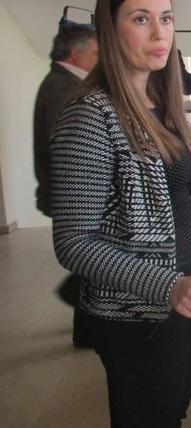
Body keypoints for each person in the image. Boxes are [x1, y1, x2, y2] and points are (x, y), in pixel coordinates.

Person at [50, 0, 191, 428]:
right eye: (141, 19)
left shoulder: (157, 102)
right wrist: (167, 285)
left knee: (171, 412)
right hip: (136, 312)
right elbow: (73, 243)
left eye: (166, 18)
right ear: (109, 30)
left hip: (182, 293)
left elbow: (178, 191)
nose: (160, 33)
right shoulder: (90, 114)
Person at [33, 23, 98, 348]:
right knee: (90, 260)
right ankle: (81, 316)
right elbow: (72, 151)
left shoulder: (62, 83)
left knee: (90, 263)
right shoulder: (64, 90)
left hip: (65, 193)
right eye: (96, 53)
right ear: (76, 54)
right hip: (72, 195)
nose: (100, 60)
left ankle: (85, 330)